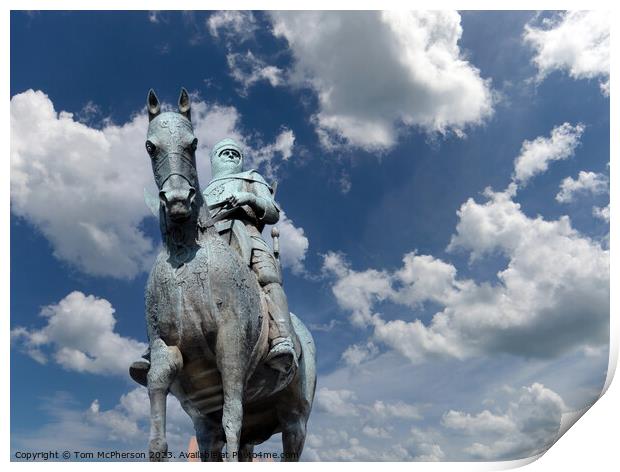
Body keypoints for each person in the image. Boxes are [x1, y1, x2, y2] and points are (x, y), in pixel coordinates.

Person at [203, 138, 298, 374]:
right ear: (214, 158)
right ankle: (161, 345)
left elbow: (273, 211)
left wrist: (250, 199)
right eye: (224, 153)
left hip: (246, 232)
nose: (231, 156)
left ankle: (281, 338)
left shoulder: (251, 177)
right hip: (207, 241)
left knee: (268, 277)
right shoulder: (202, 191)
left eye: (235, 153)